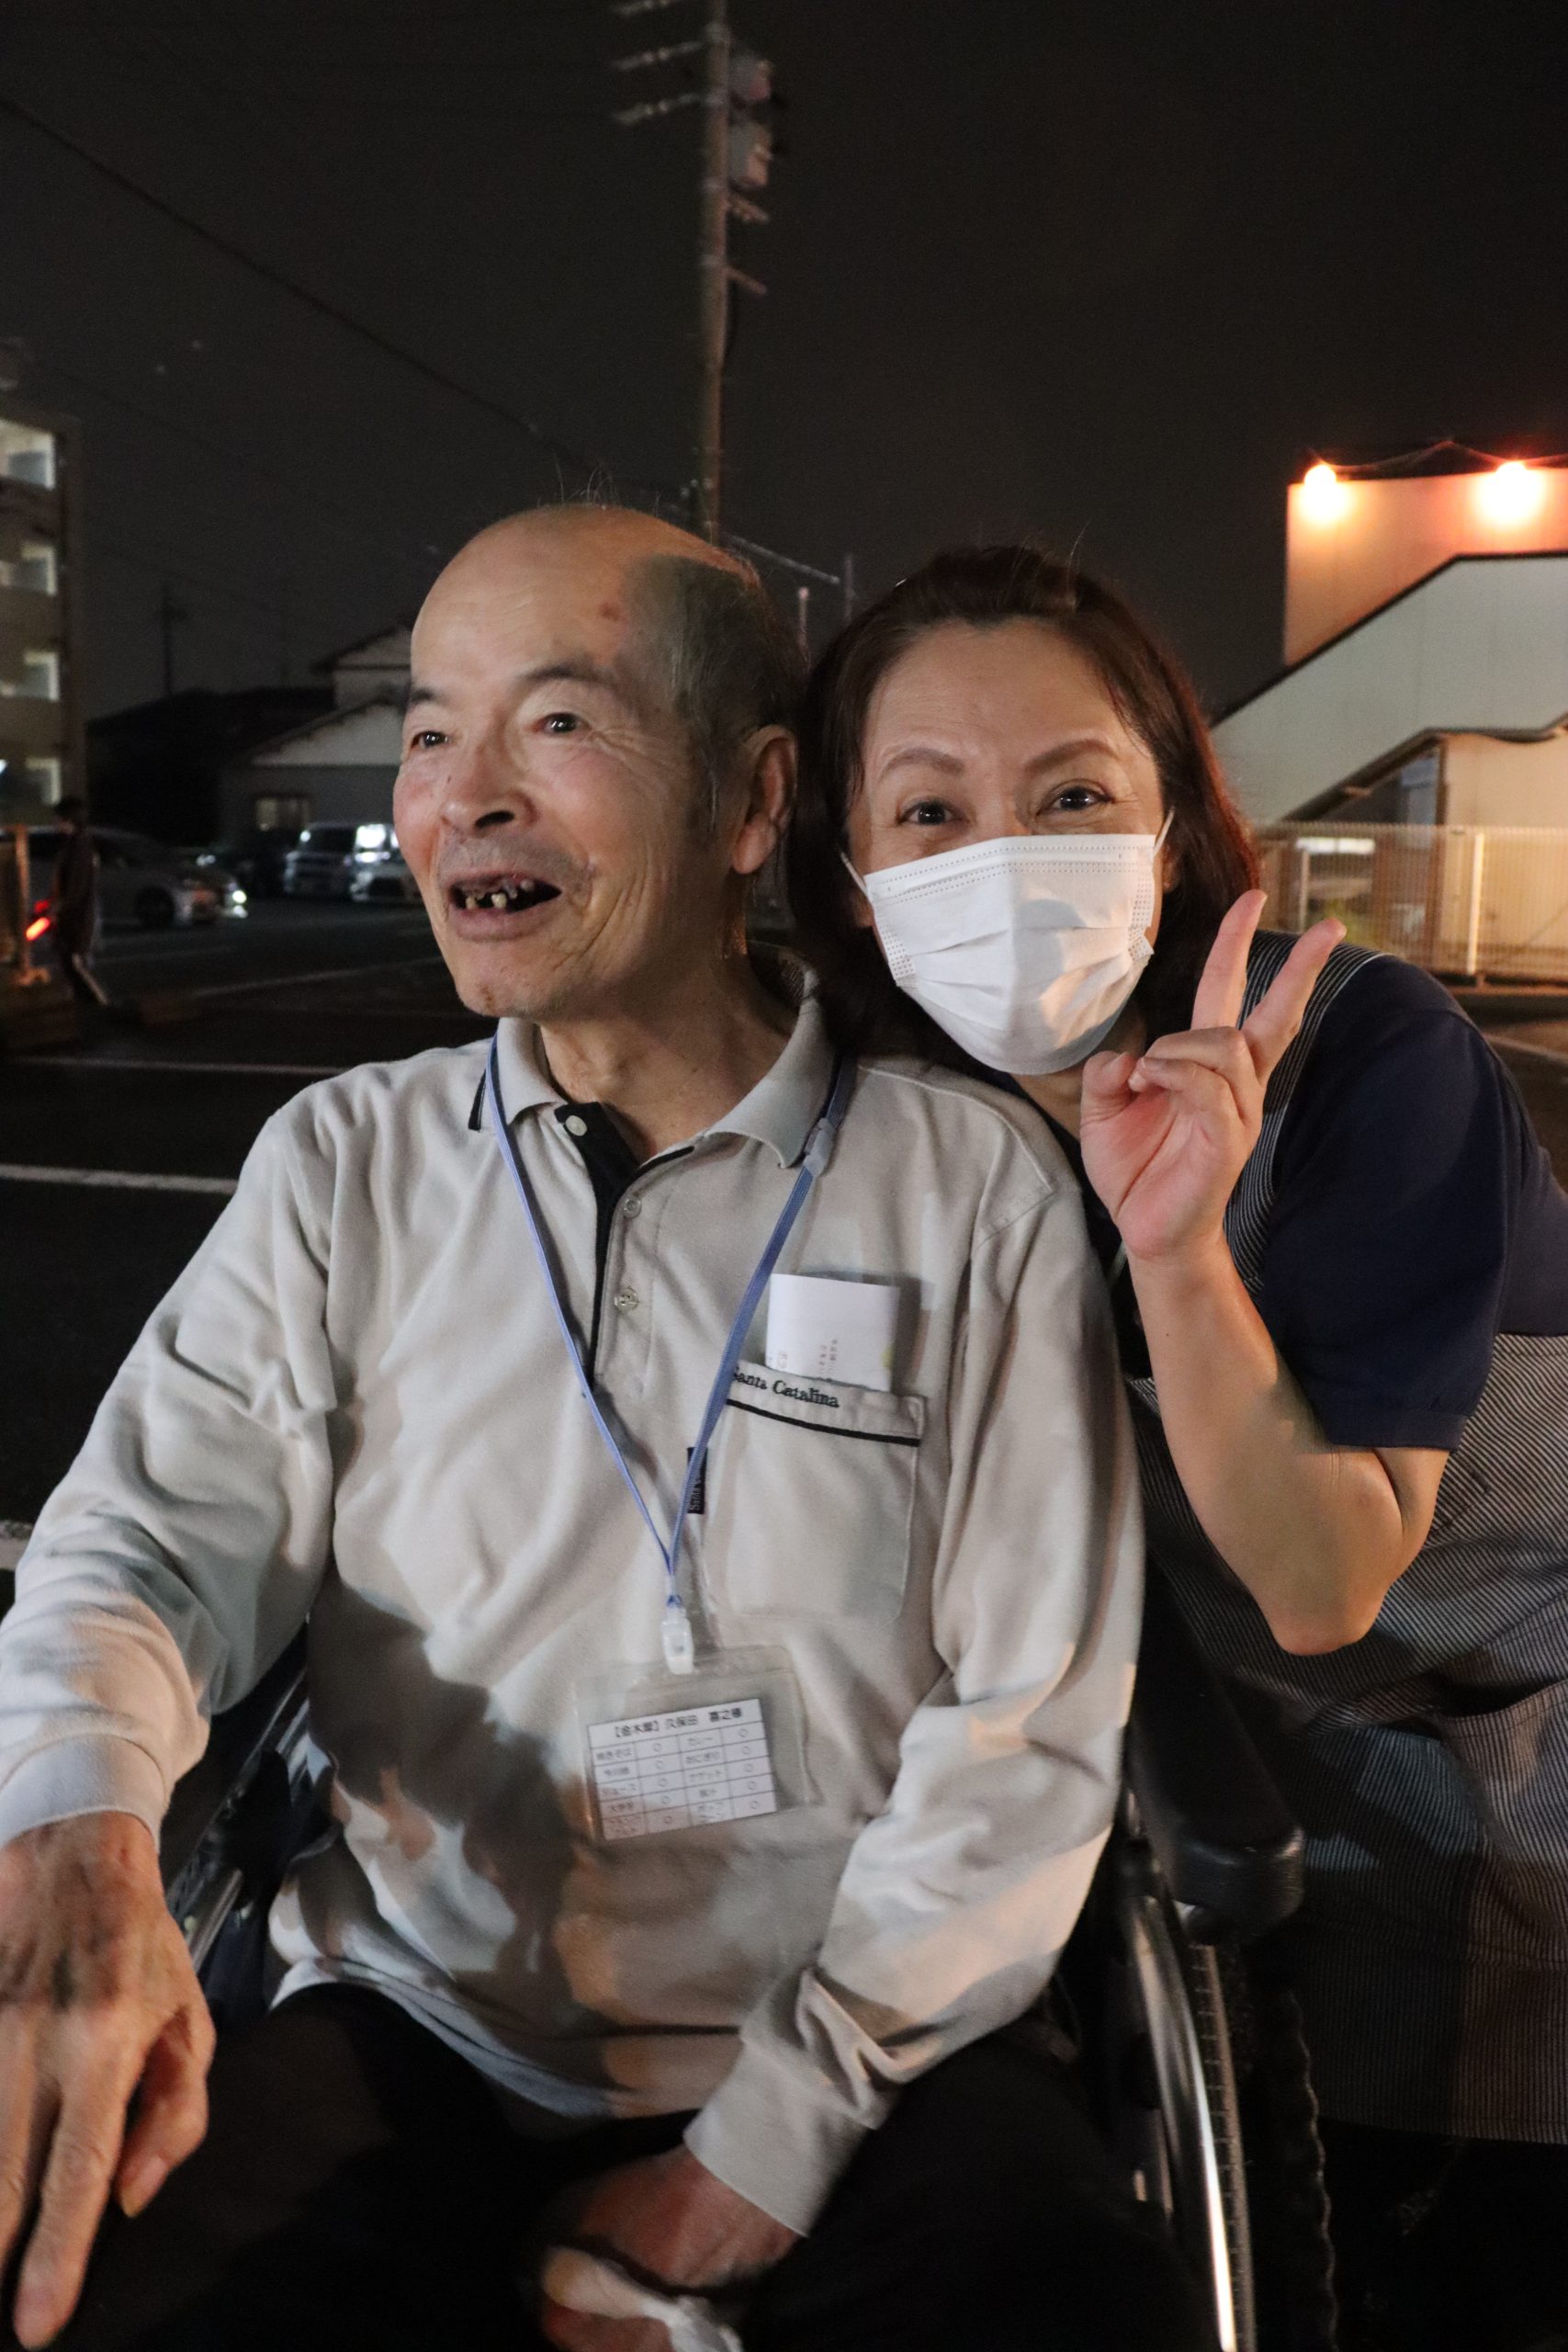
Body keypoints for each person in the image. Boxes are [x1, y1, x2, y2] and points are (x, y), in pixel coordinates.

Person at [0, 508, 1205, 2352]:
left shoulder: (965, 1188)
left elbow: (1023, 1722)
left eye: (554, 724)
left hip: (867, 2048)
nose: (460, 794)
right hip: (428, 2014)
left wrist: (752, 2155)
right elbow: (148, 1540)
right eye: (426, 730)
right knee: (90, 2282)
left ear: (748, 802)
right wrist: (79, 1839)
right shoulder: (349, 1167)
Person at [785, 542, 1568, 2352]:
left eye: (1068, 794)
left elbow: (1322, 1572)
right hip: (1203, 1787)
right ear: (846, 871)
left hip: (1506, 1765)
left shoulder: (1366, 1057)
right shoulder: (889, 1106)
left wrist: (1174, 1245)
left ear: (1167, 821)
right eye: (927, 807)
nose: (999, 854)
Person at [45, 797, 108, 1010]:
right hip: (73, 915)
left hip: (79, 915)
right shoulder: (75, 844)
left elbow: (76, 886)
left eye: (57, 817)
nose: (54, 822)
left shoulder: (80, 847)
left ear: (68, 819)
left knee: (76, 961)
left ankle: (101, 1005)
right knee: (69, 961)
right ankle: (81, 1006)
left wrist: (58, 906)